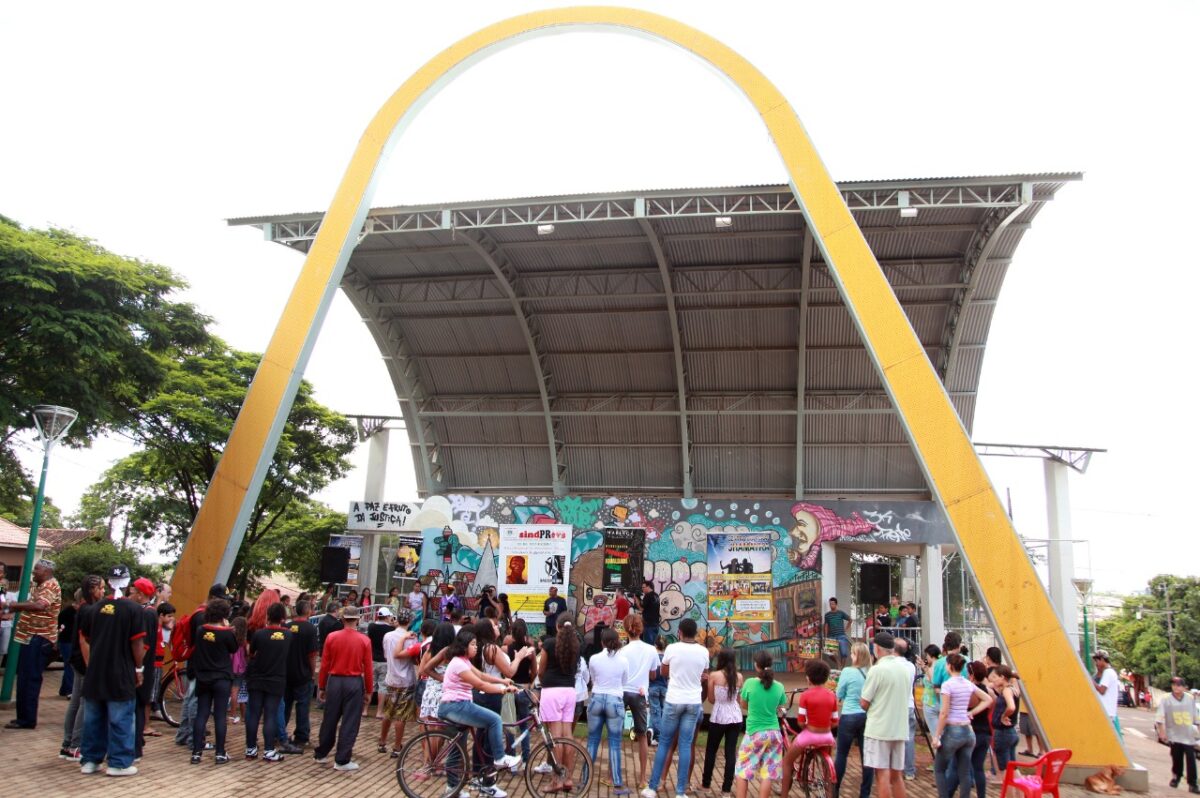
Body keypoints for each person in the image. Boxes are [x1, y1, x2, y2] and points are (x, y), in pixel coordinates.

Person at [76, 564, 147, 776]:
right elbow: (137, 644)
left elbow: (86, 639)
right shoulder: (134, 610)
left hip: (96, 672)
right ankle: (118, 763)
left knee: (93, 719)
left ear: (107, 582)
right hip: (121, 673)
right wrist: (139, 668)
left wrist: (92, 663)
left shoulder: (93, 609)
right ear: (128, 583)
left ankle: (90, 760)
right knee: (121, 719)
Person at [437, 628, 522, 793]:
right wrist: (502, 690)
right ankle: (499, 757)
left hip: (456, 706)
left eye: (476, 644)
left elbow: (482, 676)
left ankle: (452, 789)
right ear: (463, 646)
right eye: (473, 644)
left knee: (457, 750)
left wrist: (502, 681)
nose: (476, 647)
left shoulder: (463, 661)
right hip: (456, 705)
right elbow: (480, 685)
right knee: (495, 720)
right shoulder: (458, 664)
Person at [643, 617, 709, 798]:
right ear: (695, 633)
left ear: (679, 632)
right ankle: (680, 792)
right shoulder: (703, 652)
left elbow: (663, 672)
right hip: (693, 702)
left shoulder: (671, 648)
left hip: (674, 699)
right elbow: (704, 674)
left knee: (664, 742)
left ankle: (652, 787)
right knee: (686, 745)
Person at [314, 606, 374, 772]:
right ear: (357, 619)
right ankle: (341, 759)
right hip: (354, 682)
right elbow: (368, 668)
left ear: (342, 619)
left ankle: (321, 753)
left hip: (334, 680)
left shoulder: (332, 637)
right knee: (350, 721)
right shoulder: (364, 640)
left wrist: (322, 685)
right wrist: (369, 690)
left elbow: (325, 664)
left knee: (329, 718)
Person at [5, 557, 61, 730]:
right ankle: (23, 717)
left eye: (36, 570)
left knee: (29, 678)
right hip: (28, 635)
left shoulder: (50, 585)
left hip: (36, 637)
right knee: (24, 677)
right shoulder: (38, 586)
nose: (33, 573)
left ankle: (27, 719)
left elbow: (39, 605)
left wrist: (11, 606)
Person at [173, 582, 230, 749]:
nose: (223, 603)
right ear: (212, 598)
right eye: (221, 599)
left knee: (190, 698)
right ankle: (194, 739)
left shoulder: (201, 614)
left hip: (197, 662)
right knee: (195, 701)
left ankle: (184, 734)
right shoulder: (202, 617)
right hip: (200, 663)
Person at [931, 653, 992, 798]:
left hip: (953, 730)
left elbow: (944, 713)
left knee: (939, 768)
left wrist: (937, 735)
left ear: (950, 666)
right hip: (968, 731)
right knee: (964, 771)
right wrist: (971, 713)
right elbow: (988, 699)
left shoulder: (947, 685)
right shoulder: (967, 683)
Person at [859, 632, 911, 798]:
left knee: (882, 775)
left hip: (879, 729)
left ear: (877, 649)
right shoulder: (905, 669)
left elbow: (864, 702)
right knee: (896, 776)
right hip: (900, 728)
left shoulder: (877, 670)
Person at [730, 650, 786, 798]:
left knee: (743, 770)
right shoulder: (779, 686)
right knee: (768, 773)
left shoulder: (749, 683)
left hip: (755, 733)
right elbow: (780, 705)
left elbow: (743, 704)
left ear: (756, 665)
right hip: (774, 733)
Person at [60, 575, 104, 762]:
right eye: (101, 588)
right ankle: (76, 745)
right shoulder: (90, 611)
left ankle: (68, 743)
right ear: (93, 590)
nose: (103, 591)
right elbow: (85, 640)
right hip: (85, 662)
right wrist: (91, 664)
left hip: (77, 660)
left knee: (76, 701)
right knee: (84, 702)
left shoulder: (85, 609)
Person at [189, 598, 238, 765]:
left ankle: (196, 752)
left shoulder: (200, 630)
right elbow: (234, 648)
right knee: (219, 716)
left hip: (203, 676)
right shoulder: (227, 633)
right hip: (222, 678)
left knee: (201, 713)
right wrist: (228, 628)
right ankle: (220, 753)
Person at [781, 658, 838, 796]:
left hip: (809, 736)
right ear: (826, 678)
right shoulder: (832, 695)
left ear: (808, 678)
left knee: (787, 762)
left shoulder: (805, 695)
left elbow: (800, 722)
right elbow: (835, 722)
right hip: (827, 737)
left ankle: (783, 795)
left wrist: (809, 726)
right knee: (827, 774)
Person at [539, 615, 582, 793]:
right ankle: (568, 778)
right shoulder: (577, 646)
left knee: (556, 738)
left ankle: (556, 780)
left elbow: (541, 670)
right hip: (570, 692)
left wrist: (544, 681)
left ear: (557, 627)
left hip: (551, 692)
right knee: (567, 736)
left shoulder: (549, 644)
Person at [245, 601, 291, 761]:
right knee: (270, 715)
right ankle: (269, 750)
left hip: (257, 678)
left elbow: (251, 654)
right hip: (276, 679)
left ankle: (250, 748)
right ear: (283, 618)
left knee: (253, 714)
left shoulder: (259, 634)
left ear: (268, 615)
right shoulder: (288, 635)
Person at [589, 628, 632, 795]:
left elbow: (593, 679)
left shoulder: (594, 659)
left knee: (592, 741)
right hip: (615, 700)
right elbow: (625, 680)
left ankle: (585, 779)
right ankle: (617, 784)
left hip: (597, 698)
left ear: (601, 642)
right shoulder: (623, 660)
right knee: (614, 742)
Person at [945, 662, 995, 798]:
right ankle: (982, 795)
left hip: (969, 732)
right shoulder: (987, 690)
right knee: (978, 768)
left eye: (967, 672)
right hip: (984, 732)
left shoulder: (970, 690)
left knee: (956, 767)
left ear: (971, 675)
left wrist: (970, 712)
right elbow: (992, 702)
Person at [620, 613, 658, 787]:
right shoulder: (651, 650)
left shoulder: (622, 651)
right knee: (642, 735)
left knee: (616, 733)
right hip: (640, 693)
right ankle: (643, 779)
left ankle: (615, 776)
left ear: (626, 629)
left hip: (623, 691)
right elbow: (653, 673)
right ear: (641, 629)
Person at [834, 642, 875, 798]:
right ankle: (865, 793)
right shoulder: (871, 672)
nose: (851, 656)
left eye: (852, 653)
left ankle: (835, 789)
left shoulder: (847, 672)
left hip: (849, 715)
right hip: (867, 716)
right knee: (867, 756)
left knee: (842, 754)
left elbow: (839, 693)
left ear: (857, 656)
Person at [702, 646, 743, 796]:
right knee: (730, 753)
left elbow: (711, 699)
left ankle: (706, 785)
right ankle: (726, 789)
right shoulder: (739, 677)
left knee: (711, 751)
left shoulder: (714, 675)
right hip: (736, 716)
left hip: (718, 716)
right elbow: (738, 699)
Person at [379, 607, 419, 757]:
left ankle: (382, 742)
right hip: (406, 679)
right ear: (409, 620)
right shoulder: (411, 638)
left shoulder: (388, 636)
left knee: (388, 712)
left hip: (391, 677)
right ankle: (396, 746)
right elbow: (413, 658)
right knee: (401, 715)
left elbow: (385, 654)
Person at [128, 576, 159, 760]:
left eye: (132, 592)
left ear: (141, 594)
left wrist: (137, 668)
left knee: (138, 706)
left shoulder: (147, 613)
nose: (129, 594)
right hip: (141, 667)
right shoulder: (144, 611)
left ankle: (135, 746)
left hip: (143, 668)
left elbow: (144, 644)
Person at [282, 598, 317, 752]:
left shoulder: (286, 627)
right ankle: (301, 737)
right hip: (303, 673)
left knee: (285, 704)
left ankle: (280, 733)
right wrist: (312, 671)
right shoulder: (310, 629)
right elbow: (312, 654)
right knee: (303, 706)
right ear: (308, 611)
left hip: (286, 672)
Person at [1157, 676, 1200, 793]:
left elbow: (1196, 716)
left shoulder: (1190, 698)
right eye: (1174, 685)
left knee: (1191, 759)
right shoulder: (1166, 698)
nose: (1176, 687)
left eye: (1179, 685)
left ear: (1184, 687)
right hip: (1174, 734)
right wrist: (1162, 732)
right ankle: (1176, 777)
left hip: (1189, 734)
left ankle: (1193, 784)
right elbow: (1160, 716)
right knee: (1177, 757)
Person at [893, 637, 919, 781]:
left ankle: (895, 769)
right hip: (909, 704)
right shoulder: (911, 666)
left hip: (896, 706)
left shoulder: (890, 665)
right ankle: (909, 771)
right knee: (909, 739)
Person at [987, 665, 1019, 772]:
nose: (994, 680)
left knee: (1005, 769)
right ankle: (1019, 788)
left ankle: (1010, 788)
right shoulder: (1013, 688)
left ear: (1002, 677)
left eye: (996, 677)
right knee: (1012, 767)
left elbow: (1011, 707)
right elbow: (990, 685)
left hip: (1003, 733)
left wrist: (1003, 716)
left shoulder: (1006, 690)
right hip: (1011, 732)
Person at [367, 606, 397, 718]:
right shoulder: (390, 629)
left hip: (372, 659)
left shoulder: (371, 627)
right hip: (384, 660)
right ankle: (379, 712)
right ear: (386, 616)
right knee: (382, 687)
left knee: (370, 685)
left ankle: (364, 710)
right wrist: (392, 623)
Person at [1092, 650, 1122, 739]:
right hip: (1107, 713)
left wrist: (1089, 680)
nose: (1096, 664)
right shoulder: (1108, 672)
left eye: (1097, 661)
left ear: (1102, 659)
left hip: (1106, 713)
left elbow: (1102, 690)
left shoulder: (1108, 672)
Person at [57, 590, 78, 697]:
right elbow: (59, 624)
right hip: (67, 641)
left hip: (71, 641)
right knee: (70, 665)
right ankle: (69, 690)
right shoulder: (68, 611)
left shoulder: (81, 611)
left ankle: (64, 689)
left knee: (68, 665)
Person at [647, 636, 668, 745]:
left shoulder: (653, 658)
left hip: (653, 687)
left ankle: (658, 735)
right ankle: (653, 732)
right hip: (664, 687)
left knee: (654, 711)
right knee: (663, 711)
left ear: (655, 645)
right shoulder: (667, 659)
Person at [823, 596, 851, 668]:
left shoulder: (841, 613)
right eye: (830, 604)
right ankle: (838, 663)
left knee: (844, 653)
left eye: (832, 604)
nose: (831, 605)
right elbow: (826, 626)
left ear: (836, 604)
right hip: (831, 636)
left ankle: (841, 668)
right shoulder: (827, 615)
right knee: (830, 653)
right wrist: (826, 637)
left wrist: (846, 629)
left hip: (841, 635)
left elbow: (850, 620)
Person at [638, 580, 661, 645]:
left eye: (643, 587)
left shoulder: (647, 596)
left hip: (648, 623)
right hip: (656, 623)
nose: (642, 589)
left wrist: (637, 599)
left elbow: (641, 608)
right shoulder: (656, 595)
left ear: (648, 587)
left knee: (648, 644)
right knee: (654, 643)